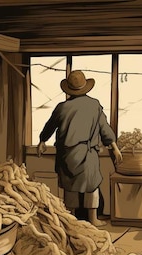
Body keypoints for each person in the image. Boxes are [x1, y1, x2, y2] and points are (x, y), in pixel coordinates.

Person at [37, 70, 122, 226]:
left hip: (67, 154)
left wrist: (42, 141)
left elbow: (50, 126)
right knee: (91, 186)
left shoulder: (61, 107)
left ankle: (71, 219)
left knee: (70, 186)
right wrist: (114, 147)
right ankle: (93, 219)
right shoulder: (94, 105)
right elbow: (104, 128)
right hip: (88, 153)